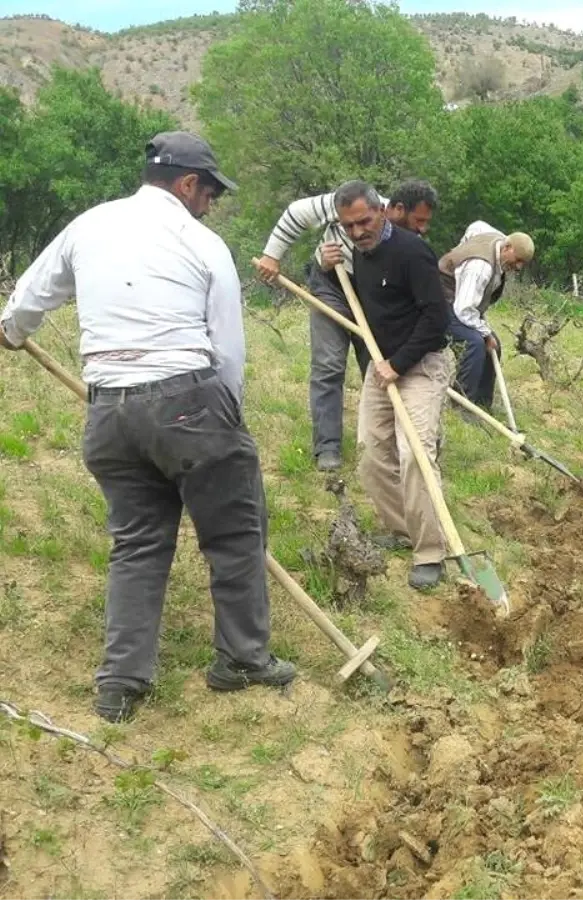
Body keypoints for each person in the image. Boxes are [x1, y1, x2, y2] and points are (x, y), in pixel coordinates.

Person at [0, 131, 296, 723]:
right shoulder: (201, 241)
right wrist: (226, 421)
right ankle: (240, 659)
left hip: (108, 411)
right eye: (209, 191)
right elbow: (229, 350)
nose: (210, 203)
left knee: (137, 545)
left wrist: (10, 330)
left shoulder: (89, 226)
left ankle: (120, 685)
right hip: (189, 400)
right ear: (187, 184)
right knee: (236, 533)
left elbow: (27, 300)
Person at [254, 179, 440, 471]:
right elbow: (295, 212)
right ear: (392, 209)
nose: (422, 229)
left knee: (378, 364)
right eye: (418, 221)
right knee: (329, 363)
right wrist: (271, 255)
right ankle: (328, 446)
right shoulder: (351, 202)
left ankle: (392, 443)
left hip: (375, 293)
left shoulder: (407, 243)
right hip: (333, 282)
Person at [328, 181, 453, 589]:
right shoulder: (358, 254)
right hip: (382, 367)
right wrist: (325, 267)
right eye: (348, 226)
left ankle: (431, 551)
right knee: (371, 451)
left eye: (364, 221)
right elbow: (350, 297)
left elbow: (437, 320)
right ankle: (403, 529)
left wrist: (399, 364)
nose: (358, 231)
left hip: (420, 365)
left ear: (382, 210)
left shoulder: (412, 252)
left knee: (414, 452)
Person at [438, 220, 535, 413]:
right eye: (517, 261)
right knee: (475, 343)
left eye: (522, 264)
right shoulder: (480, 267)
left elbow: (476, 225)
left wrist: (462, 246)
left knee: (494, 345)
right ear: (507, 247)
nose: (518, 267)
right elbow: (464, 310)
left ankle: (482, 405)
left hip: (461, 300)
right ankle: (462, 406)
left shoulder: (499, 240)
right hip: (442, 300)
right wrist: (485, 333)